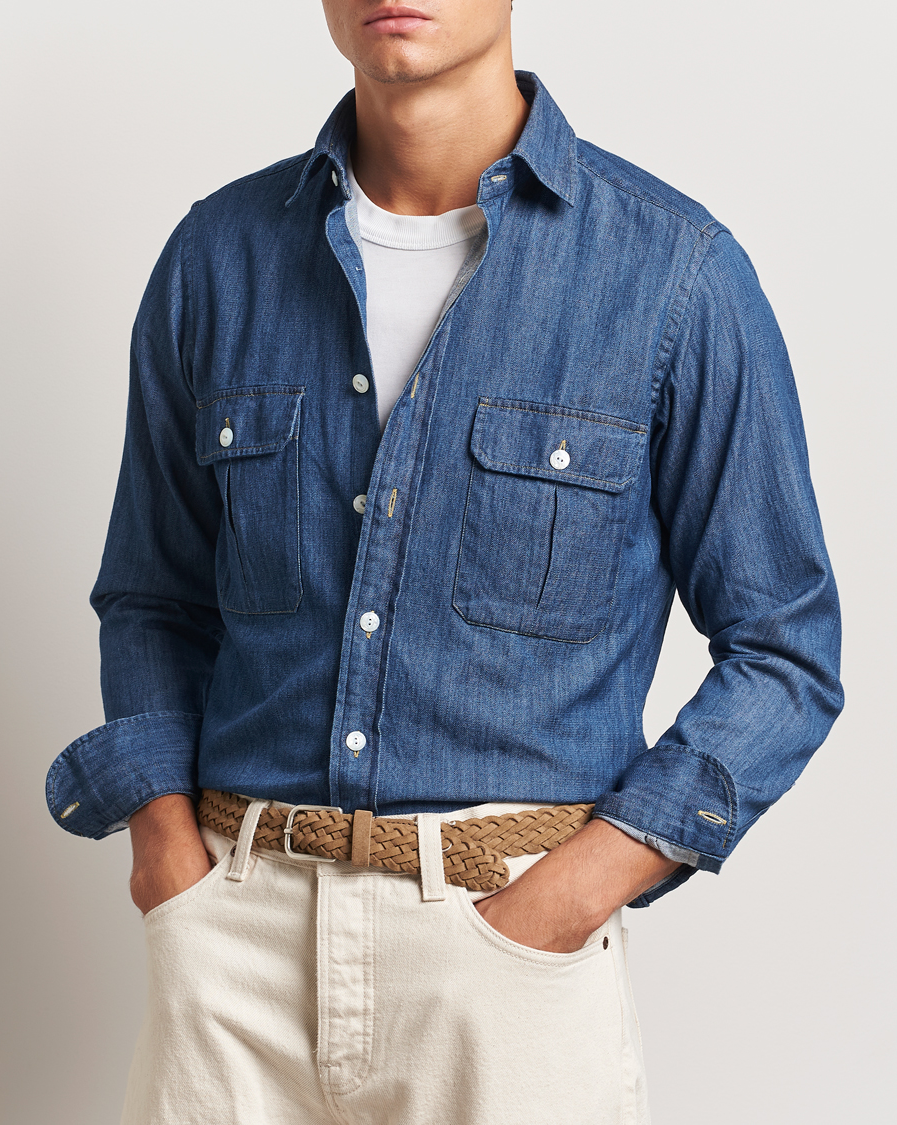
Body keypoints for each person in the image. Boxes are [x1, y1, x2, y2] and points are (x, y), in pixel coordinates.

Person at [45, 2, 844, 1122]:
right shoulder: (217, 259)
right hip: (233, 951)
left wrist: (569, 897)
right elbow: (152, 595)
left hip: (511, 960)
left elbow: (784, 649)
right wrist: (169, 861)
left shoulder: (673, 275)